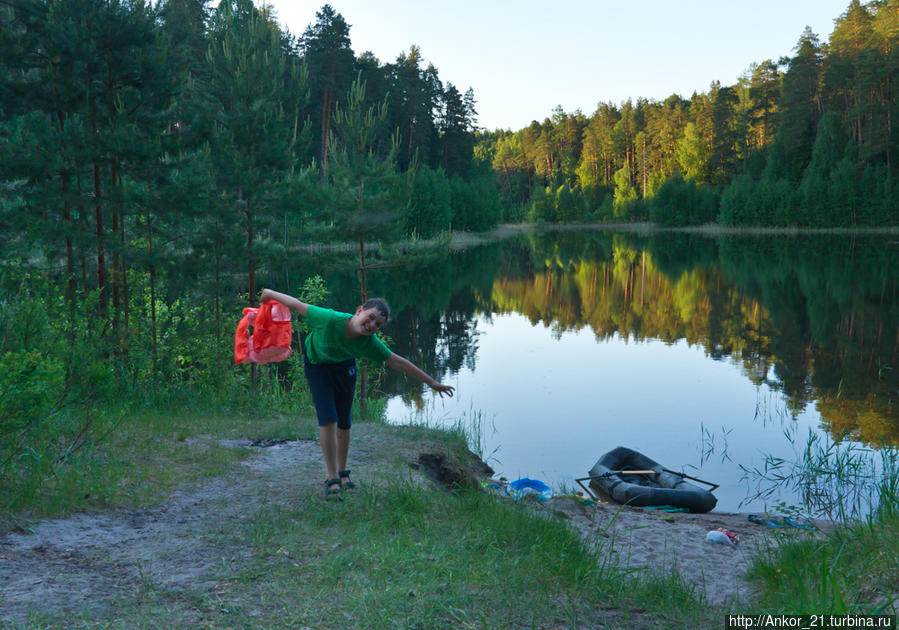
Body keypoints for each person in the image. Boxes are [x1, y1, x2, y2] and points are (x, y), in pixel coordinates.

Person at [259, 288, 455, 499]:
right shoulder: (328, 318)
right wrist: (268, 294)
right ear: (359, 310)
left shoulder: (369, 343)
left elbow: (398, 362)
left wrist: (433, 382)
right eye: (370, 318)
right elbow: (296, 304)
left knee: (344, 422)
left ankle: (343, 473)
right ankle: (332, 478)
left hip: (344, 369)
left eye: (378, 325)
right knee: (328, 419)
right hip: (318, 366)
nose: (372, 325)